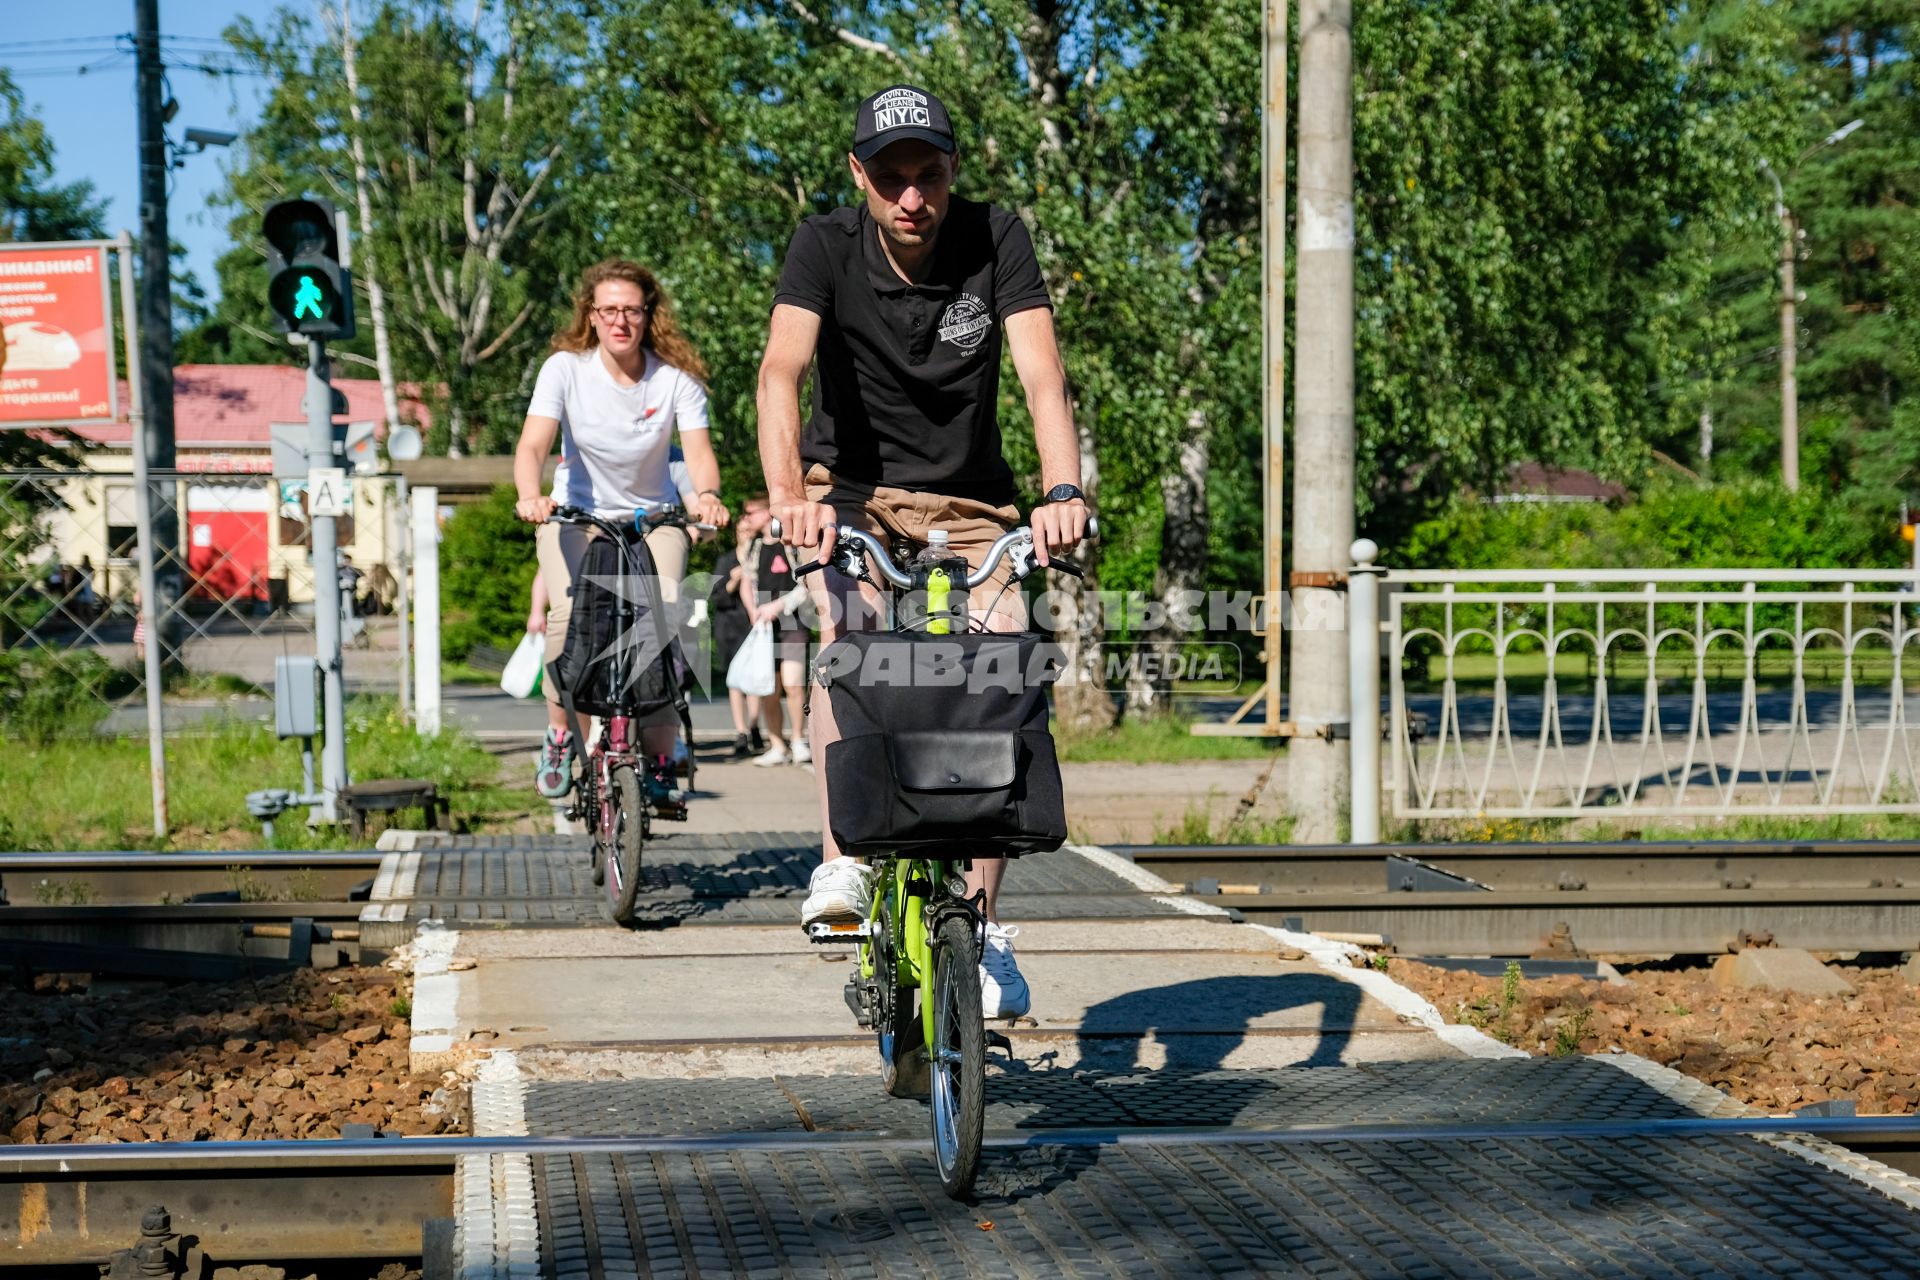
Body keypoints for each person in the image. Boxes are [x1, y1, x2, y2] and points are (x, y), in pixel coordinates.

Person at [757, 84, 1089, 1018]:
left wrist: (1061, 492)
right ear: (860, 175)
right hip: (846, 498)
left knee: (1001, 664)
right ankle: (844, 866)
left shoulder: (996, 238)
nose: (913, 197)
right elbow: (781, 373)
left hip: (973, 498)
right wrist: (790, 499)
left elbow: (1041, 375)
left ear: (952, 172)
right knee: (852, 640)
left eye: (929, 174)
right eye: (892, 177)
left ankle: (980, 928)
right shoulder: (823, 245)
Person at [513, 259, 729, 814]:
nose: (620, 321)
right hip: (575, 515)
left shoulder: (674, 380)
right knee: (566, 619)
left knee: (662, 624)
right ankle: (561, 738)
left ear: (647, 315)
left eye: (631, 310)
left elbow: (699, 453)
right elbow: (534, 445)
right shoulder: (565, 369)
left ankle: (658, 760)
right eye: (609, 309)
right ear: (592, 314)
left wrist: (704, 497)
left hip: (653, 518)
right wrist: (530, 494)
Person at [740, 502, 811, 767]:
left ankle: (797, 739)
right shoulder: (755, 548)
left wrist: (779, 606)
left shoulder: (792, 544)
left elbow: (806, 584)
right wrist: (753, 610)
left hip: (793, 622)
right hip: (765, 628)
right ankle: (776, 744)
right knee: (768, 687)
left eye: (752, 512)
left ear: (767, 513)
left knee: (793, 684)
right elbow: (748, 582)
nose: (747, 518)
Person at [711, 497, 767, 759]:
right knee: (735, 680)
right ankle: (741, 730)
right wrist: (734, 580)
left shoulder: (760, 554)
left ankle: (754, 725)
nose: (745, 532)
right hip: (729, 626)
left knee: (753, 679)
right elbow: (718, 597)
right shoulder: (726, 560)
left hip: (754, 624)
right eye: (740, 529)